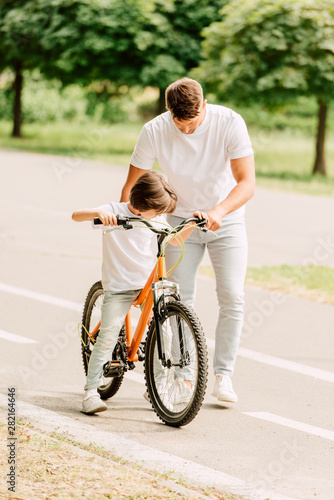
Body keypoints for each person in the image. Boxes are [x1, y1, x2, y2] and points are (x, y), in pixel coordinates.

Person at [120, 77, 255, 404]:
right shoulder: (155, 130)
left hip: (226, 219)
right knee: (179, 300)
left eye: (192, 125)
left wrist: (220, 210)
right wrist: (127, 222)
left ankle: (223, 375)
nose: (186, 132)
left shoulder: (229, 122)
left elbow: (246, 182)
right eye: (180, 126)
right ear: (168, 112)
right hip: (179, 222)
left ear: (204, 107)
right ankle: (183, 375)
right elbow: (132, 186)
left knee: (233, 297)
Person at [72, 171, 205, 414]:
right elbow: (75, 216)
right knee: (109, 333)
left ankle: (156, 384)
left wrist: (193, 224)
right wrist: (98, 214)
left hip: (147, 285)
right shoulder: (114, 210)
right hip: (119, 286)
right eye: (156, 212)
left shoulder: (155, 218)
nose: (159, 217)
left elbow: (174, 240)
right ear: (142, 204)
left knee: (162, 332)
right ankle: (91, 391)